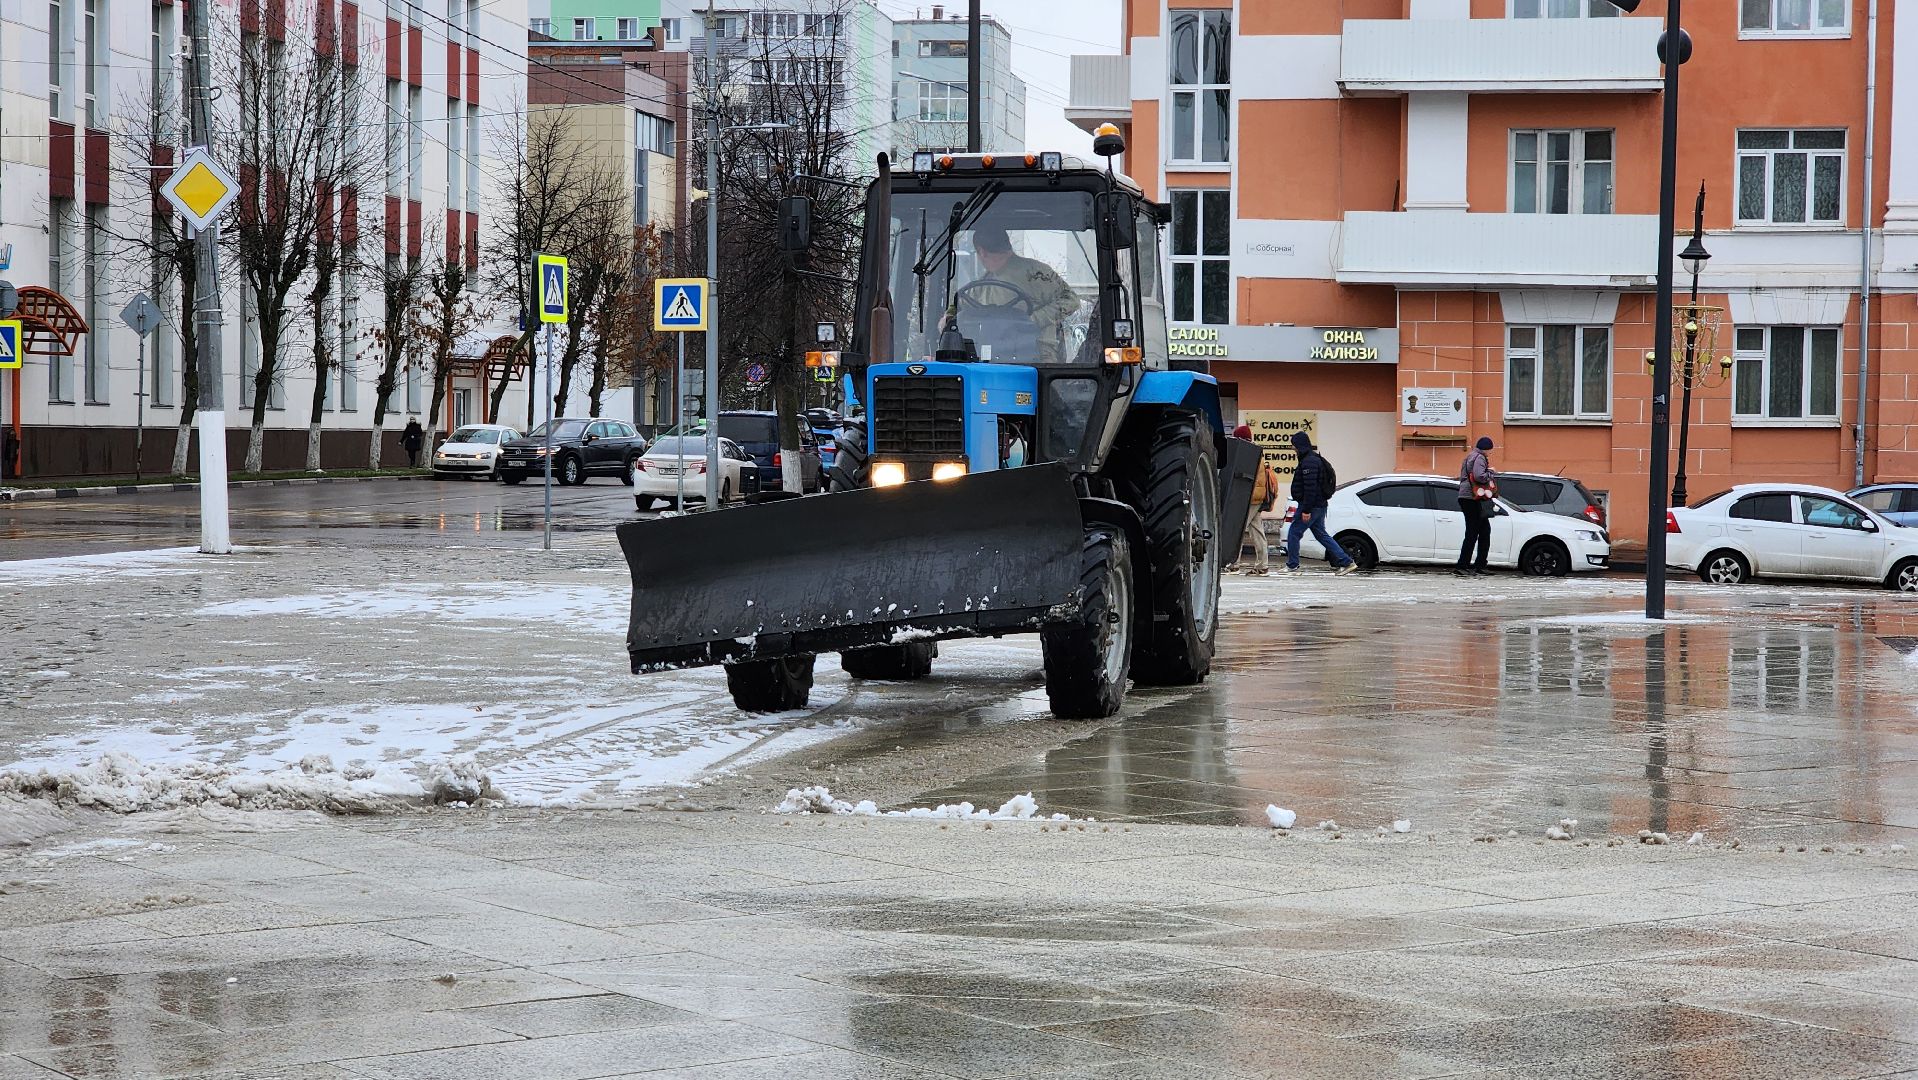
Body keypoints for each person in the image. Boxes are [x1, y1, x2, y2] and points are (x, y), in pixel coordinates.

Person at [961, 226, 1081, 363]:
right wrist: (949, 317)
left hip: (1039, 357)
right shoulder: (983, 283)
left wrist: (1032, 320)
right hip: (990, 357)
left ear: (981, 252)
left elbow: (1071, 300)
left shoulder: (1035, 274)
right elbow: (959, 305)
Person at [1285, 431, 1358, 576]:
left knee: (1293, 533)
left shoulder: (1309, 462)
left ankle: (1292, 565)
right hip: (1319, 505)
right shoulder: (1313, 459)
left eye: (1294, 445)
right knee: (1321, 535)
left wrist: (1306, 510)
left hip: (1311, 506)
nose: (1293, 448)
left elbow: (1310, 488)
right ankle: (1346, 562)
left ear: (1300, 445)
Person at [1231, 424, 1276, 574]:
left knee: (1237, 531)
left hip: (1249, 499)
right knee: (1257, 532)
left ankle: (1233, 564)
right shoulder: (1256, 453)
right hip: (1256, 499)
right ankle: (1262, 565)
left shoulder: (1248, 454)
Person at [1455, 436, 1498, 577]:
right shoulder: (1479, 457)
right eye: (1490, 450)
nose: (1490, 453)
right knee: (1475, 532)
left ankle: (1477, 564)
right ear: (1486, 449)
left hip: (1467, 497)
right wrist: (1491, 472)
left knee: (1482, 530)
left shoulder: (1470, 456)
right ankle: (1465, 565)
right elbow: (1479, 476)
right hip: (1473, 498)